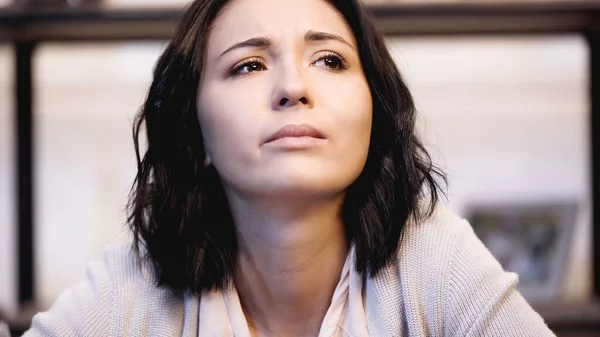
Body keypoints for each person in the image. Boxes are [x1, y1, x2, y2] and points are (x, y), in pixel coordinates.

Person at [24, 0, 556, 336]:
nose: (293, 88)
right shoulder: (135, 288)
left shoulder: (431, 259)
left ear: (374, 107)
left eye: (330, 60)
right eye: (248, 65)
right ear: (195, 132)